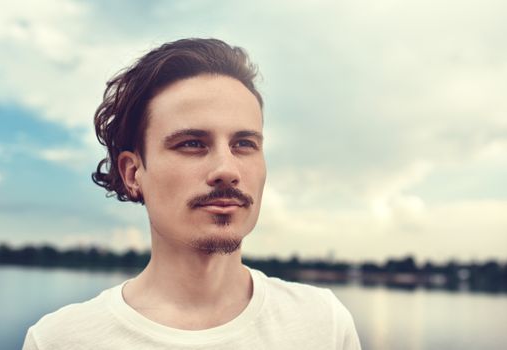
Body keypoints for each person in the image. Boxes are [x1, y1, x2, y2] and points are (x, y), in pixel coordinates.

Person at [23, 38, 361, 349]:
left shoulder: (323, 325)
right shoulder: (60, 340)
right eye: (192, 144)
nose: (227, 169)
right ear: (132, 173)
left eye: (244, 144)